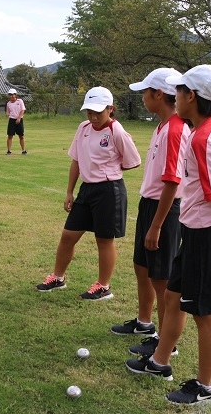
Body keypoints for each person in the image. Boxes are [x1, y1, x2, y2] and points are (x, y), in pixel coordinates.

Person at [126, 65, 211, 405]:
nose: (174, 97)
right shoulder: (207, 129)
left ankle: (206, 386)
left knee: (204, 313)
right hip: (194, 230)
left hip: (207, 235)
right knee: (173, 296)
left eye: (178, 91)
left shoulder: (202, 138)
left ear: (191, 96)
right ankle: (159, 362)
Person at [111, 69, 190, 362]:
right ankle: (145, 322)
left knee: (162, 278)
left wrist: (156, 226)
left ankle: (166, 341)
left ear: (158, 94)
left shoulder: (175, 129)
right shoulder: (161, 127)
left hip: (164, 210)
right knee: (142, 267)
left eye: (146, 92)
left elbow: (173, 181)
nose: (143, 97)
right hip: (150, 204)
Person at [35, 87, 141, 300]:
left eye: (98, 112)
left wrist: (109, 168)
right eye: (89, 112)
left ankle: (103, 286)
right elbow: (76, 160)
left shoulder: (116, 131)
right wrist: (69, 192)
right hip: (86, 189)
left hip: (109, 191)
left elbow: (133, 161)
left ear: (110, 109)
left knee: (104, 240)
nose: (93, 117)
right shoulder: (83, 128)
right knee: (68, 235)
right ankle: (58, 278)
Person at [5, 88, 27, 155]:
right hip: (12, 120)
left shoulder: (20, 101)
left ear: (15, 95)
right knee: (10, 136)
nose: (11, 96)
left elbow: (23, 110)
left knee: (21, 136)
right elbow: (8, 112)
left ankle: (23, 150)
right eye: (10, 95)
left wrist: (19, 118)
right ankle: (9, 151)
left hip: (19, 120)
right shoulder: (8, 104)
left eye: (13, 94)